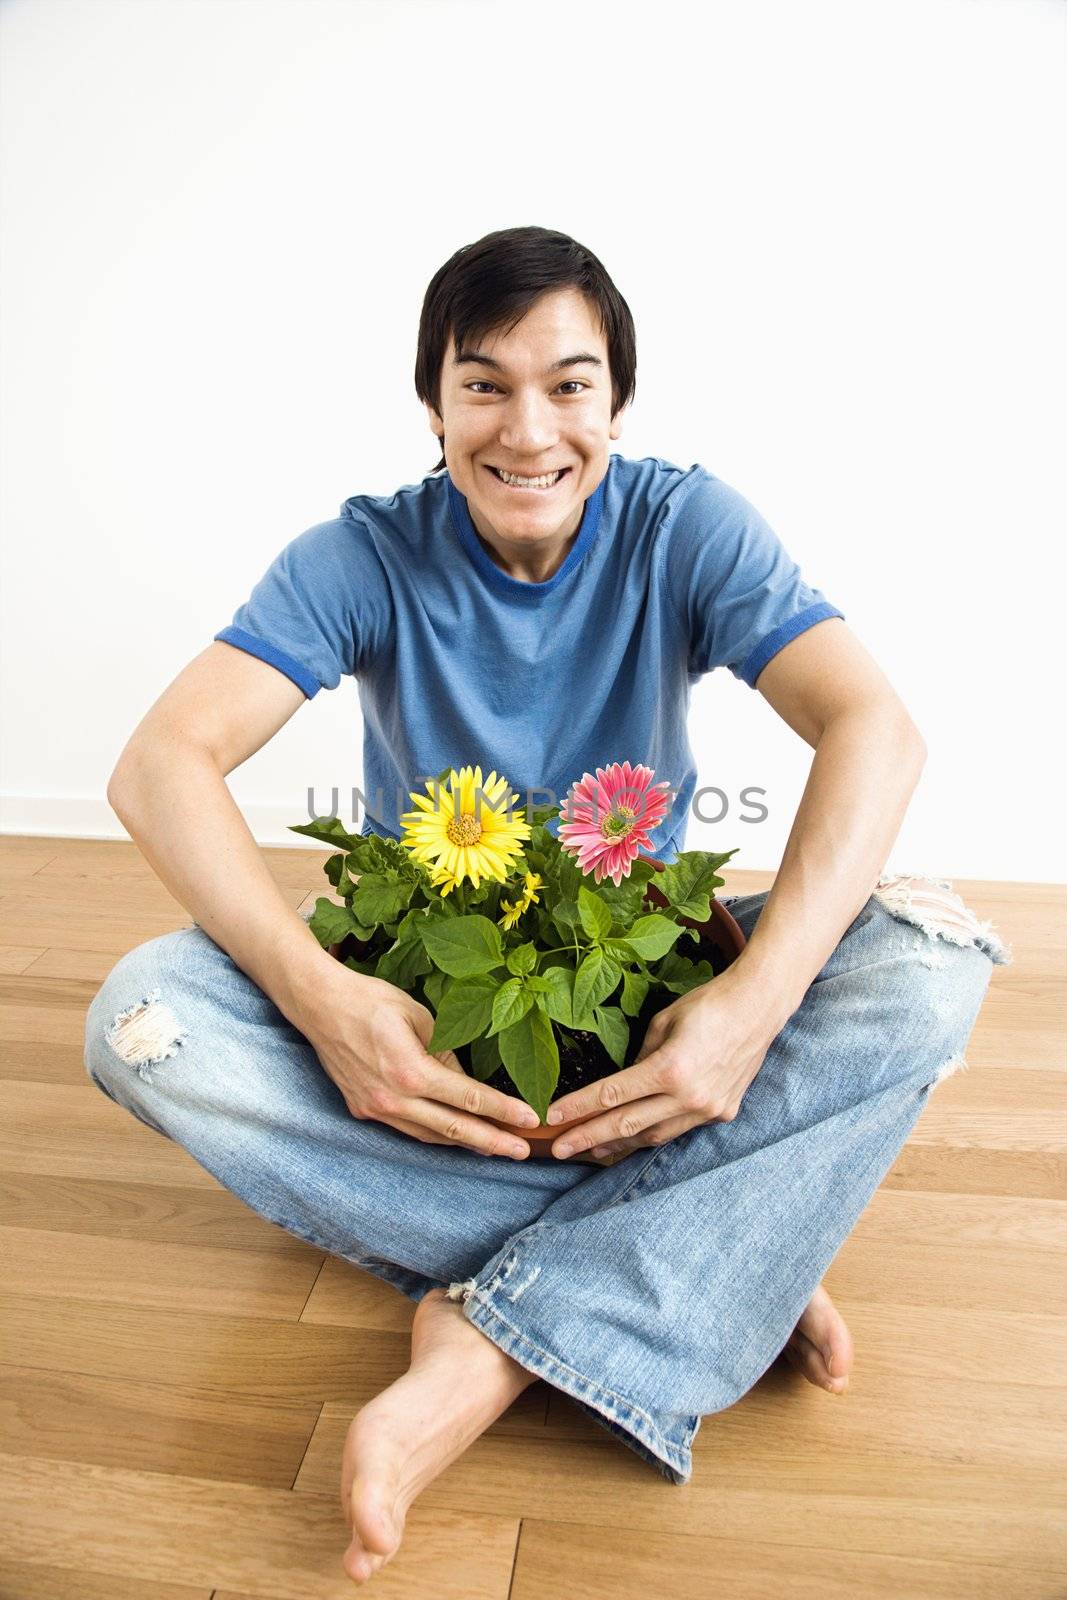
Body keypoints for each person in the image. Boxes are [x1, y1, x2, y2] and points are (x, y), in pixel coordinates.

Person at [83, 225, 1011, 1587]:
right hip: (449, 1011)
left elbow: (877, 727)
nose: (530, 430)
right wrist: (324, 1001)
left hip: (650, 994)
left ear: (616, 405)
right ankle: (718, 1245)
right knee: (139, 1018)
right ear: (434, 403)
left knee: (936, 955)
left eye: (570, 385)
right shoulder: (362, 555)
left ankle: (493, 1337)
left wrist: (749, 1014)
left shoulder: (685, 524)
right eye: (484, 384)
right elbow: (159, 766)